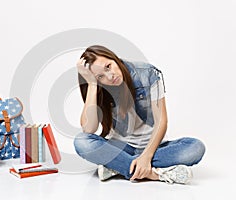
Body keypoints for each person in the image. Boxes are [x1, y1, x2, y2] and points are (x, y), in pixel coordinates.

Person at [73, 45, 205, 184]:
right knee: (81, 142)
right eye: (101, 76)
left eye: (108, 66)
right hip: (120, 148)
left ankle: (117, 167)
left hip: (154, 148)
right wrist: (92, 84)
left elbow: (161, 121)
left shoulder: (147, 73)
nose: (110, 76)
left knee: (195, 147)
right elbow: (88, 129)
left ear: (114, 58)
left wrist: (146, 157)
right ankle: (156, 174)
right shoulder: (101, 88)